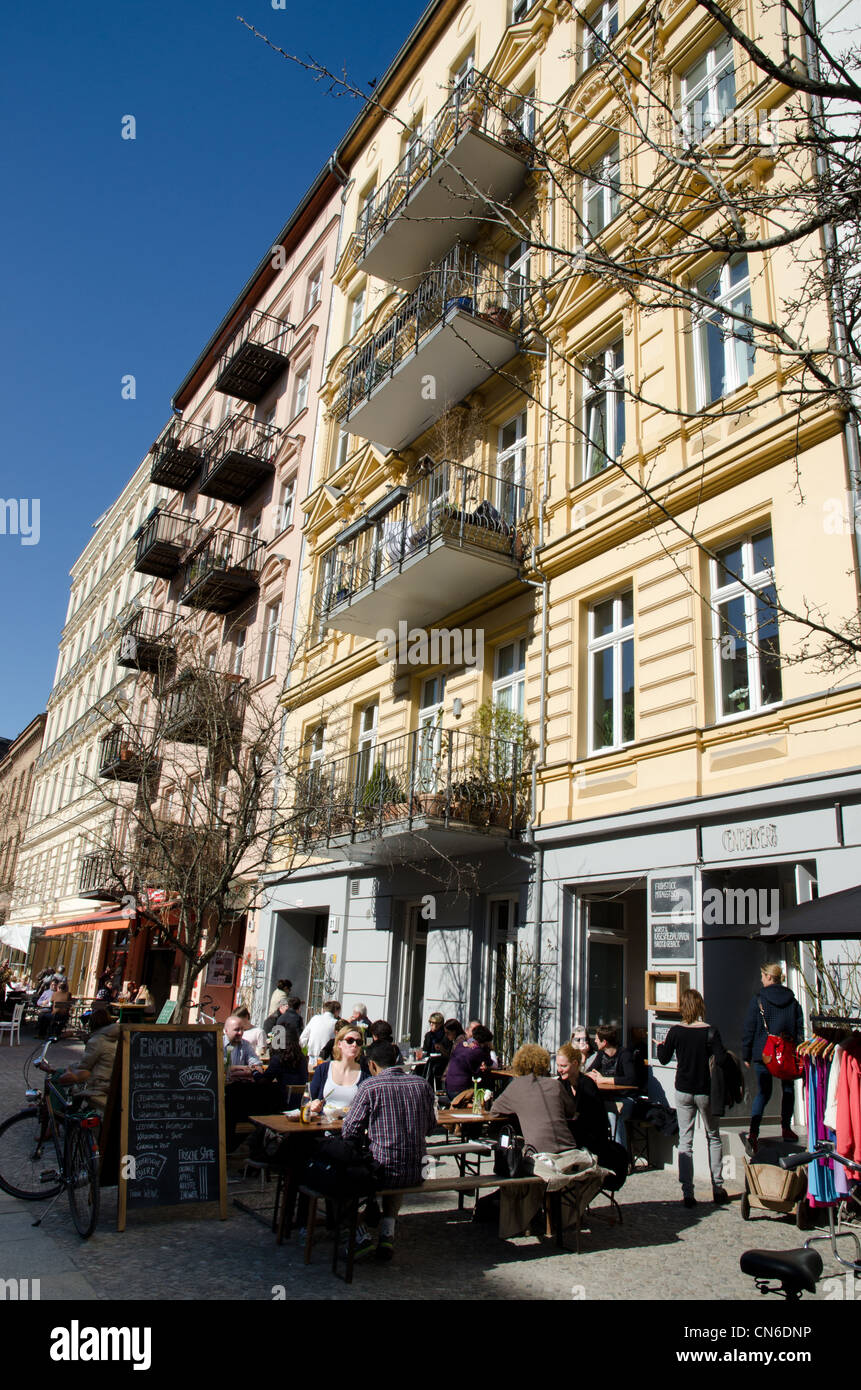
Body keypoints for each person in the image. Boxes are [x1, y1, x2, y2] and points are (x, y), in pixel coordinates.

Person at [341, 1041, 436, 1261]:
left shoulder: (370, 1086)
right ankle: (387, 1232)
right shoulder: (421, 1084)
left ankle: (360, 1236)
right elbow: (431, 1127)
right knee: (397, 1160)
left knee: (337, 1176)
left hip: (383, 1171)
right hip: (418, 1170)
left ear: (372, 1064)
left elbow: (349, 1131)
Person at [657, 989, 730, 1207]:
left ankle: (688, 1192)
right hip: (705, 1090)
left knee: (685, 1142)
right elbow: (723, 1059)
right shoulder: (711, 1031)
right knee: (713, 1136)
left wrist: (661, 1046)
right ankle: (717, 1186)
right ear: (700, 1006)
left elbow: (663, 1058)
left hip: (683, 1089)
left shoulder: (676, 1031)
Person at [742, 962, 804, 1153]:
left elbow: (750, 1027)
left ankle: (753, 1132)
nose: (761, 979)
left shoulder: (759, 999)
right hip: (785, 1051)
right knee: (787, 1089)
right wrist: (798, 1048)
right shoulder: (792, 1001)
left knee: (763, 1092)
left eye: (762, 976)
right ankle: (786, 1127)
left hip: (764, 1053)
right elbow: (799, 1027)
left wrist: (746, 1052)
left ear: (769, 977)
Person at [490, 1045, 578, 1154]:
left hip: (537, 1153)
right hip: (569, 1149)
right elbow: (571, 1111)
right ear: (544, 1064)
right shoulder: (555, 1084)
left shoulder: (516, 1086)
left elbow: (494, 1111)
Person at [51, 1007, 120, 1115]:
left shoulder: (97, 1040)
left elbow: (85, 1065)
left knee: (58, 1076)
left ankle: (55, 1114)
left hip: (99, 1084)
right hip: (112, 1081)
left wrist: (70, 1068)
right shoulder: (114, 1037)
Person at [589, 1025, 638, 1148]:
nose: (594, 1041)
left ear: (604, 1042)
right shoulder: (601, 1054)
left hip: (626, 1099)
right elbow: (590, 1071)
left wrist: (604, 1080)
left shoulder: (624, 1054)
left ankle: (620, 1157)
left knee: (613, 1114)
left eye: (597, 1039)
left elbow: (631, 1080)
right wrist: (593, 1076)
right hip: (608, 1098)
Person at [556, 1043, 611, 1153]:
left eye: (563, 1066)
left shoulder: (587, 1085)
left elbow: (592, 1121)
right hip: (570, 1138)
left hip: (591, 1139)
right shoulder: (560, 1084)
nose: (559, 1070)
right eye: (558, 1065)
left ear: (575, 1063)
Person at [309, 1025, 372, 1111]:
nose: (354, 1045)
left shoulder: (365, 1074)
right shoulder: (323, 1069)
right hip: (324, 1121)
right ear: (339, 1044)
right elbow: (309, 1099)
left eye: (359, 1042)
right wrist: (313, 1103)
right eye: (350, 1041)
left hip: (350, 1123)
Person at [258, 1023, 308, 1107]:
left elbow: (263, 1081)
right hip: (300, 1103)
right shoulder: (302, 1058)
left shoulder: (279, 1059)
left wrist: (254, 1072)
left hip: (282, 1104)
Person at [444, 1024, 493, 1101]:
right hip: (461, 1091)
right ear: (484, 1042)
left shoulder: (460, 1045)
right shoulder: (479, 1052)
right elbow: (491, 1063)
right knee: (487, 1086)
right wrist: (489, 1049)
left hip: (448, 1089)